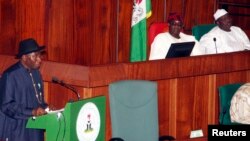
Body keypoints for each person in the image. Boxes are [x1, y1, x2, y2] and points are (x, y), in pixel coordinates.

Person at [0, 38, 50, 141]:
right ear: (24, 57)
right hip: (17, 130)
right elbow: (6, 106)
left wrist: (47, 108)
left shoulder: (37, 74)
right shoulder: (10, 75)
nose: (39, 59)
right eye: (35, 56)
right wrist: (31, 111)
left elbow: (38, 101)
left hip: (35, 129)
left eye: (39, 55)